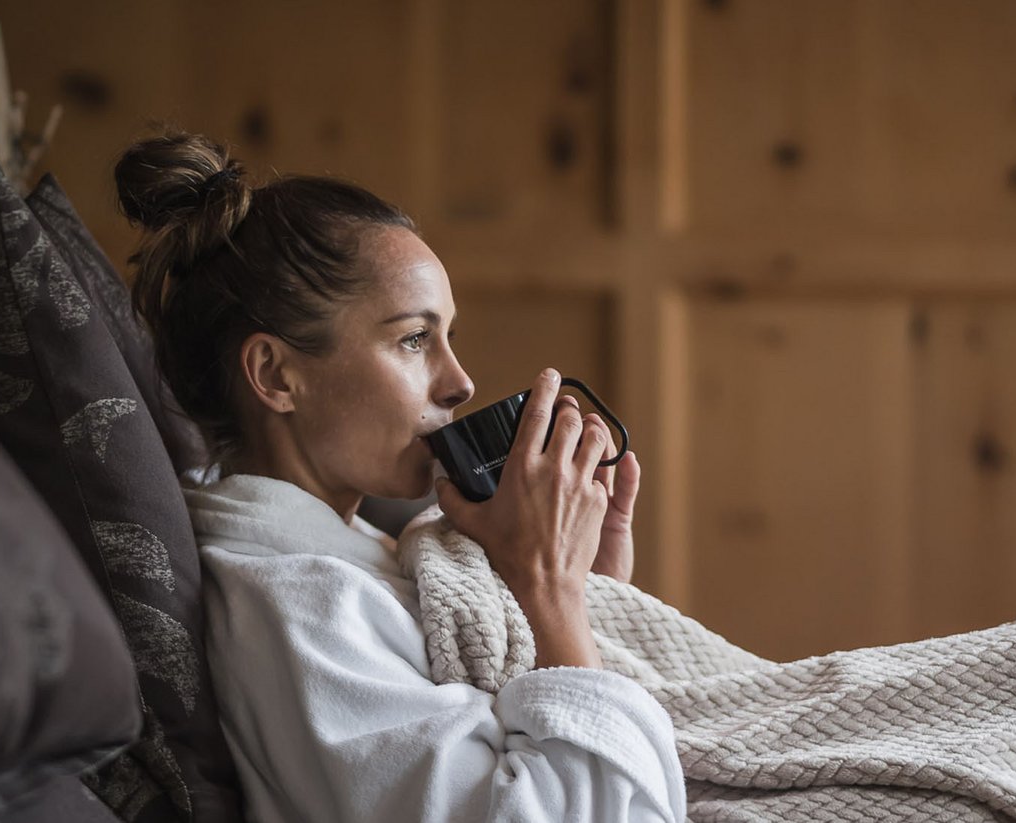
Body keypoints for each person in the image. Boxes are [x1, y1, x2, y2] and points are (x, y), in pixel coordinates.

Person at [117, 129, 685, 822]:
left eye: (449, 337)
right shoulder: (298, 612)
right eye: (414, 339)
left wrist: (591, 593)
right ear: (275, 374)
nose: (460, 381)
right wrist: (549, 590)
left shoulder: (355, 558)